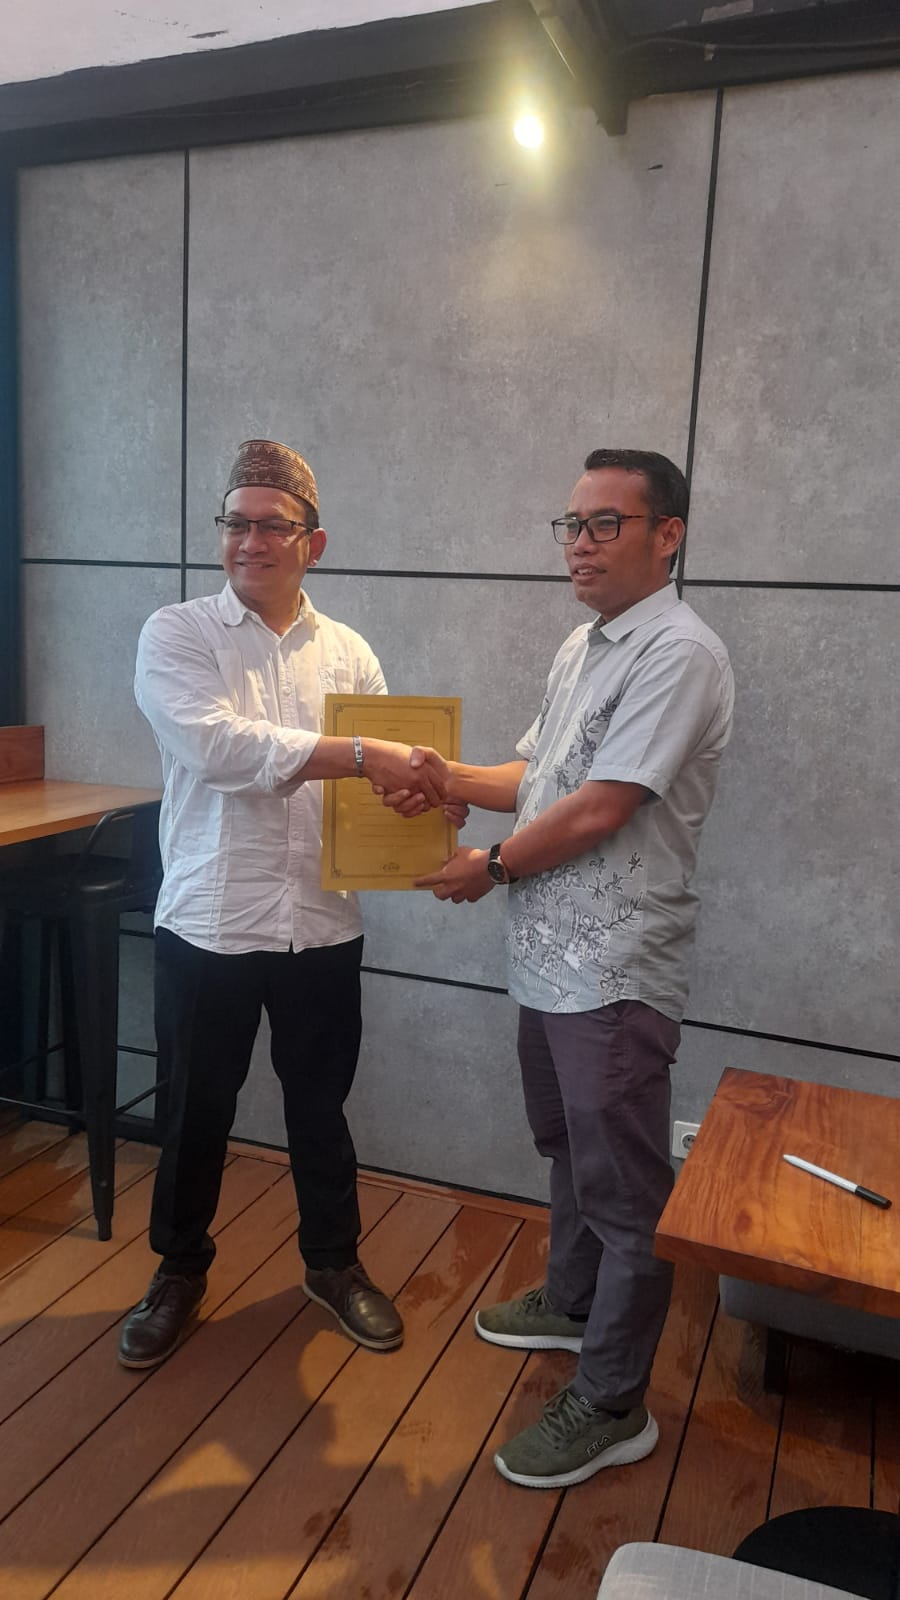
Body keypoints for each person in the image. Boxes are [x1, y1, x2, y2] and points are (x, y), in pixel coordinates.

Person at [404, 449, 734, 1488]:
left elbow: (600, 808)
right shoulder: (584, 644)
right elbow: (542, 777)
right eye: (572, 525)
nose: (578, 545)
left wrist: (492, 865)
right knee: (567, 1146)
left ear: (667, 535)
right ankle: (575, 1300)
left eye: (605, 524)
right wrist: (446, 777)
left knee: (626, 1190)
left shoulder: (680, 653)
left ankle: (613, 1400)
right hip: (549, 960)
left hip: (616, 970)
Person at [123, 438, 450, 1370]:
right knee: (194, 1109)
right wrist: (365, 756)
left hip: (322, 920)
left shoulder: (349, 653)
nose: (250, 540)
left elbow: (379, 783)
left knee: (320, 1106)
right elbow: (219, 749)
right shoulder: (177, 633)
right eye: (236, 522)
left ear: (315, 543)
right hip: (210, 920)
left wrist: (425, 796)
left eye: (273, 525)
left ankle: (333, 1265)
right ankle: (178, 1269)